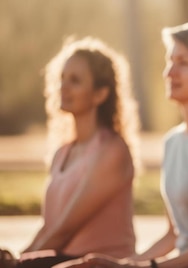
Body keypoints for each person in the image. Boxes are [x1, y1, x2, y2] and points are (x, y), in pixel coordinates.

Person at [64, 21, 188, 268]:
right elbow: (174, 235)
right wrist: (124, 264)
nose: (169, 73)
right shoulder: (173, 142)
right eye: (170, 61)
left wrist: (145, 267)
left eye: (183, 63)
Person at [17, 37, 140, 268]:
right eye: (61, 78)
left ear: (100, 94)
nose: (63, 86)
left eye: (75, 80)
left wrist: (18, 262)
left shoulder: (112, 151)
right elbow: (49, 227)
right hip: (62, 261)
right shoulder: (62, 152)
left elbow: (64, 231)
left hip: (99, 263)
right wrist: (18, 257)